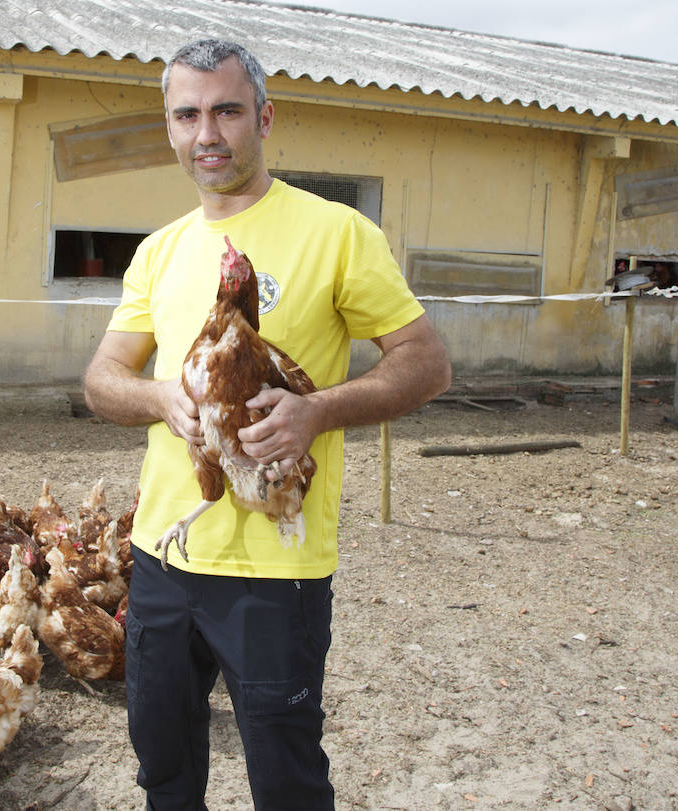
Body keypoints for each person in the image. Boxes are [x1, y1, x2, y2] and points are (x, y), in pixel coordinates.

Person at [81, 38, 451, 810]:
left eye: (226, 111)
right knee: (163, 765)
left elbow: (426, 362)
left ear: (265, 118)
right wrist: (160, 398)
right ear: (170, 128)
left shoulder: (338, 232)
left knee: (285, 780)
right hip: (164, 555)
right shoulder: (158, 252)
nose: (206, 133)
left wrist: (317, 411)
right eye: (187, 115)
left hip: (275, 573)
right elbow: (101, 379)